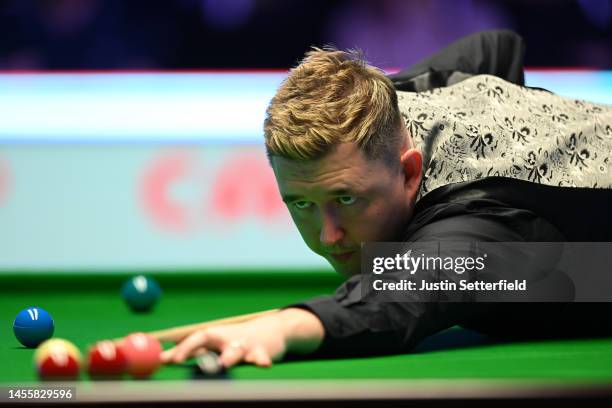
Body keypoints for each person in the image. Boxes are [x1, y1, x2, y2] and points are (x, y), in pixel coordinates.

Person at [161, 30, 612, 368]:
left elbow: (399, 298)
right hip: (544, 252)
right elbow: (496, 47)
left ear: (410, 171)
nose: (329, 233)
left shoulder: (474, 220)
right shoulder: (394, 103)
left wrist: (283, 327)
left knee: (546, 279)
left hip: (574, 255)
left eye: (347, 199)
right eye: (301, 204)